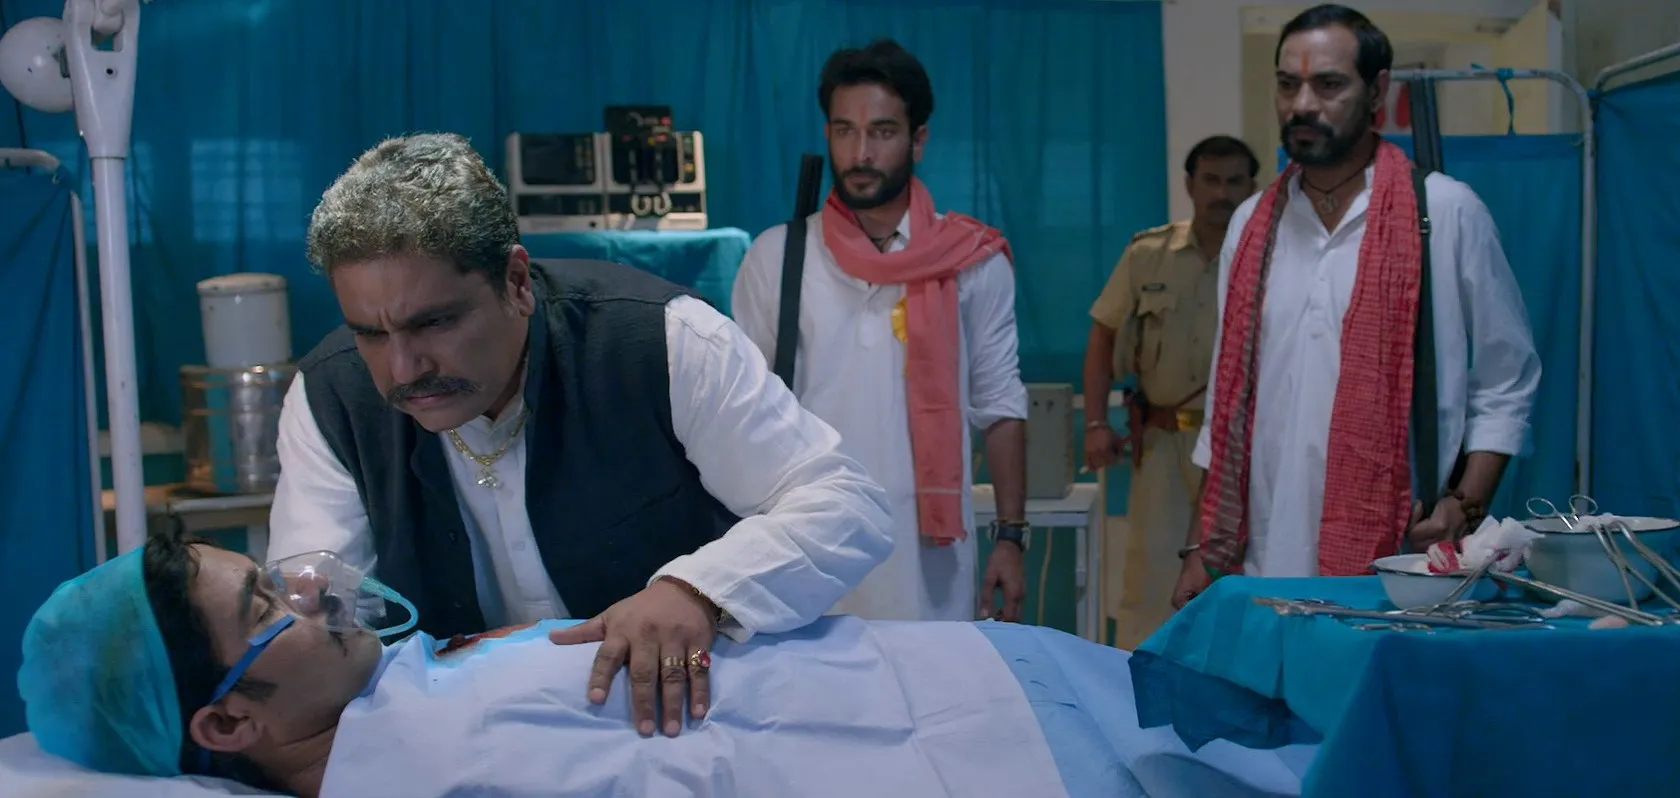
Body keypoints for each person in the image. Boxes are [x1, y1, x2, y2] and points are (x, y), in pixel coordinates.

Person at [266, 133, 894, 736]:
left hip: (683, 725)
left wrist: (700, 590)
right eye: (371, 334)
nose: (404, 370)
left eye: (434, 323)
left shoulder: (660, 342)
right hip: (470, 743)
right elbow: (318, 614)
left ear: (516, 282)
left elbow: (845, 504)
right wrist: (307, 626)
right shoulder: (331, 399)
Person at [12, 536, 1313, 797]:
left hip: (982, 678)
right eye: (265, 602)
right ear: (225, 726)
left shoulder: (406, 690)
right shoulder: (419, 772)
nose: (307, 584)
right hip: (1013, 758)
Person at [1173, 4, 1542, 606]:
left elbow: (1508, 378)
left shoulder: (1444, 212)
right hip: (1262, 557)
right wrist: (1200, 547)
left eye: (1328, 85)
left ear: (1376, 91)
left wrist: (1465, 504)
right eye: (1287, 84)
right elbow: (1227, 404)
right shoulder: (1252, 224)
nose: (1302, 105)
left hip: (1400, 563)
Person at [732, 40, 1032, 623]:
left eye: (883, 132)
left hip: (931, 564)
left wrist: (1011, 538)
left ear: (919, 140)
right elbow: (743, 418)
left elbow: (1000, 405)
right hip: (805, 556)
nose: (861, 152)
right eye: (845, 131)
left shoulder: (971, 262)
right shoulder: (778, 257)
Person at [1084, 136, 1258, 650]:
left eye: (1234, 182)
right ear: (1189, 185)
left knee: (1236, 573)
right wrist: (1096, 423)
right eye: (1211, 180)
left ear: (1253, 188)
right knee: (1151, 576)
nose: (1222, 193)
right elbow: (1103, 336)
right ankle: (1136, 682)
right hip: (1162, 441)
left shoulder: (1266, 257)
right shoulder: (1149, 255)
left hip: (1239, 449)